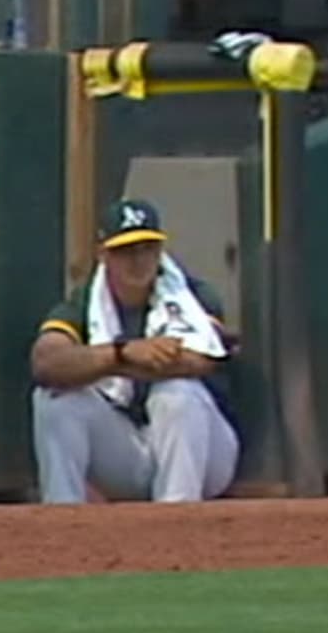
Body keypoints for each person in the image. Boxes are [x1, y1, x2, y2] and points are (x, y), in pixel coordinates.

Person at [30, 200, 241, 506]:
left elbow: (199, 360)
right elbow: (46, 363)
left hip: (205, 454)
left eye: (147, 248)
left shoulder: (191, 296)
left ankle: (176, 519)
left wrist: (101, 362)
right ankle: (64, 518)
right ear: (103, 255)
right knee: (53, 398)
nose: (138, 260)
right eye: (125, 251)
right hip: (131, 453)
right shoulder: (85, 303)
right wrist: (122, 353)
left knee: (176, 392)